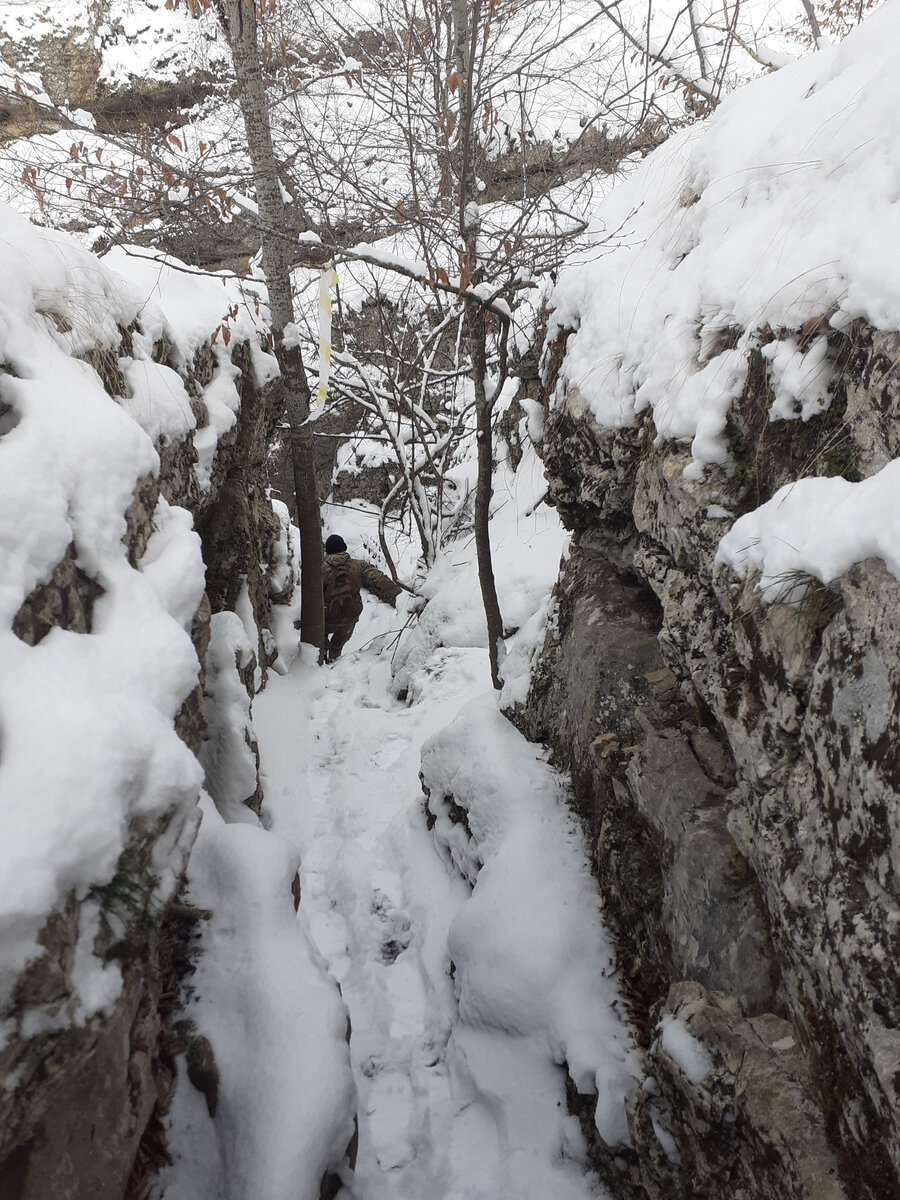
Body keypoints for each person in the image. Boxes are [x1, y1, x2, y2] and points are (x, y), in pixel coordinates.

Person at [322, 534, 402, 662]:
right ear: (344, 548)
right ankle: (334, 660)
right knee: (337, 645)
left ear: (327, 550)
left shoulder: (321, 569)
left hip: (327, 618)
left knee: (320, 645)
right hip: (350, 615)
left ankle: (321, 662)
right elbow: (379, 579)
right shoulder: (358, 565)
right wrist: (400, 595)